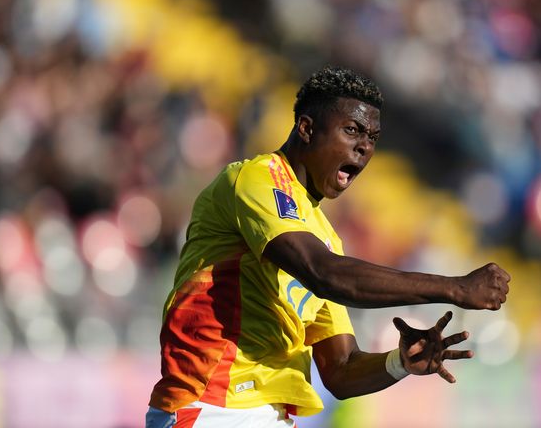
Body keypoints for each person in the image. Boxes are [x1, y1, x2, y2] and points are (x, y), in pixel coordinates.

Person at [146, 66, 511, 428]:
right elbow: (325, 275)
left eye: (373, 137)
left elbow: (340, 369)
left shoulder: (323, 236)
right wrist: (453, 288)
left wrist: (401, 362)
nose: (365, 146)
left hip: (269, 417)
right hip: (209, 408)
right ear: (306, 129)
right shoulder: (256, 179)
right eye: (352, 130)